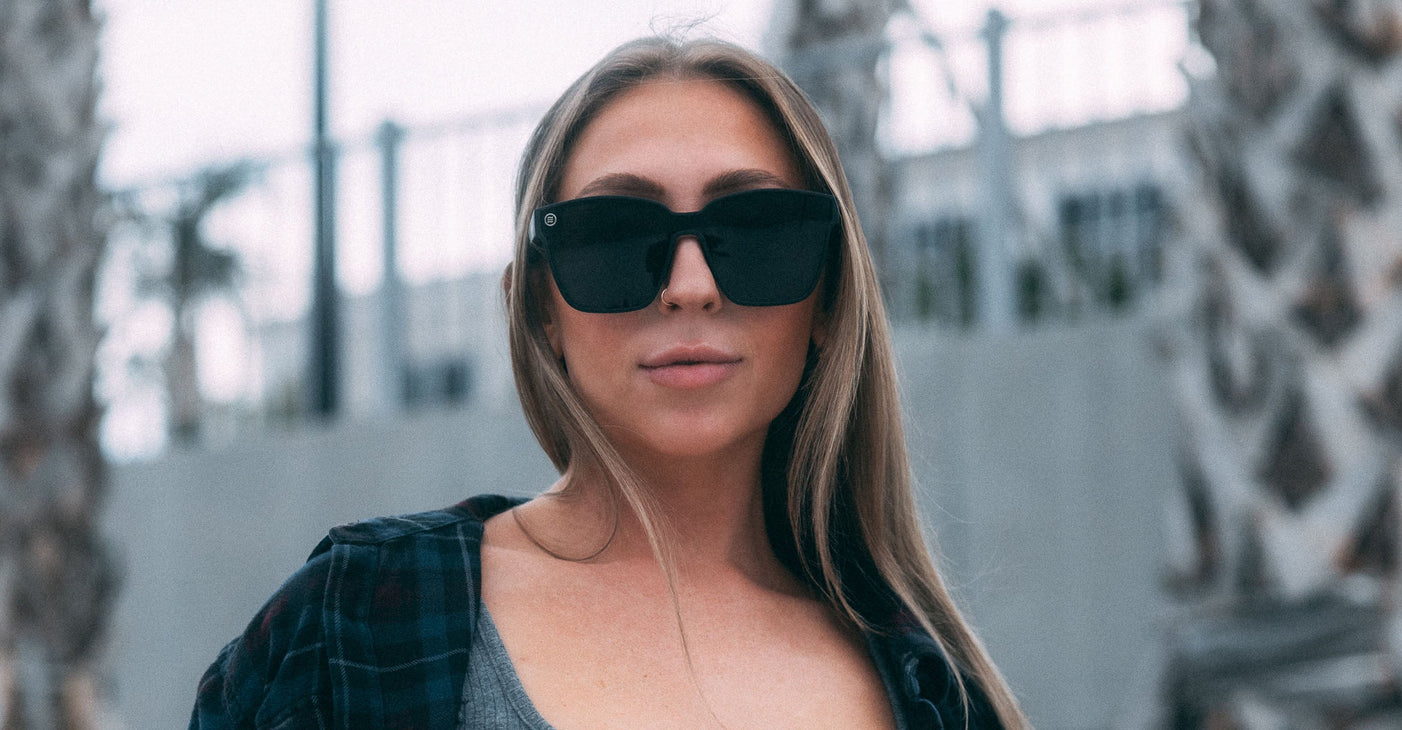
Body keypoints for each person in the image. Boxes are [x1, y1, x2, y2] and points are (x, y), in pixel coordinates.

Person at [191, 36, 1027, 730]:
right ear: (538, 309)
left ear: (828, 301)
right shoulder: (355, 622)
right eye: (614, 233)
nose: (690, 283)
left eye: (755, 228)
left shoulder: (934, 696)